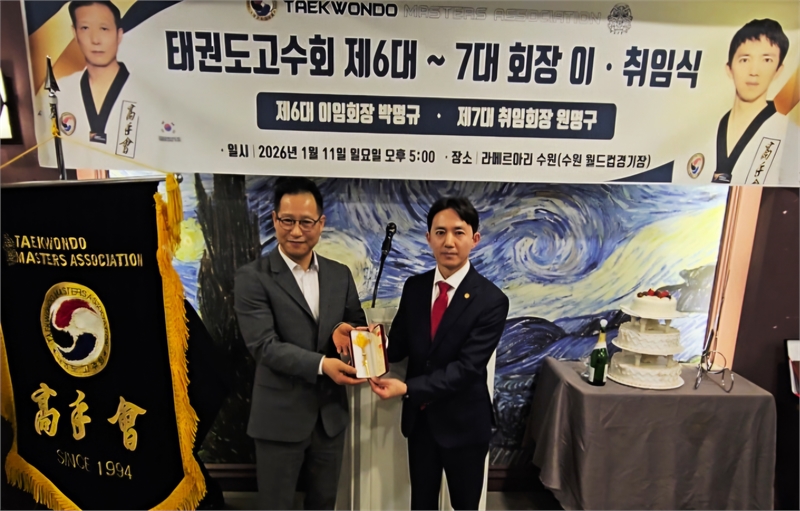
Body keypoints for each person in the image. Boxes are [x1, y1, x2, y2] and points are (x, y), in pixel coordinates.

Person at [365, 197, 509, 510]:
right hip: (421, 423)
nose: (449, 242)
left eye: (458, 232)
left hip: (464, 426)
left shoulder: (492, 300)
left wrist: (406, 388)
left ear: (475, 239)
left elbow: (466, 369)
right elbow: (399, 346)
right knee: (422, 503)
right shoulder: (414, 288)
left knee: (465, 506)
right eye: (440, 232)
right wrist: (368, 346)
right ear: (428, 237)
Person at [234, 177, 367, 510]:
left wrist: (345, 330)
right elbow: (264, 346)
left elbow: (356, 325)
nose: (296, 231)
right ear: (275, 220)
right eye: (287, 221)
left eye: (306, 222)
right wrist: (323, 365)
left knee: (324, 504)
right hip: (278, 419)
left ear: (320, 224)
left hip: (330, 418)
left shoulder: (339, 274)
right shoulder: (252, 277)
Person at [711, 18, 790, 184]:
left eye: (767, 60)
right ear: (729, 68)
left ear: (778, 70)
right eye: (745, 60)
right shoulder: (709, 129)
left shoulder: (787, 131)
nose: (754, 71)